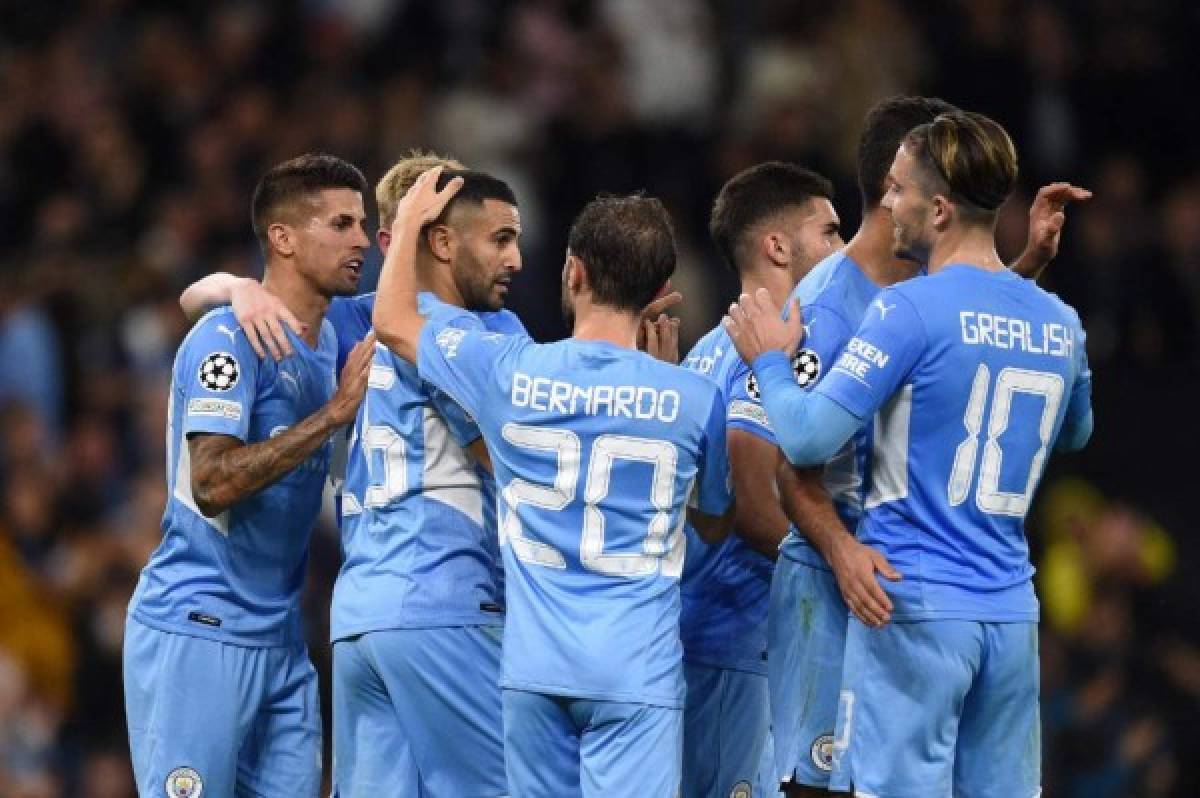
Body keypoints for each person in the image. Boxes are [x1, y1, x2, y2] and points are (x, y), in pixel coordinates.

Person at [725, 110, 1093, 798]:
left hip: (912, 605)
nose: (888, 204)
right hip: (1011, 614)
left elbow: (803, 440)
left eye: (899, 190)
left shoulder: (906, 310)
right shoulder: (1059, 320)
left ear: (941, 208)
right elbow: (1073, 432)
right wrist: (1030, 276)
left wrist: (770, 365)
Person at [375, 167, 733, 798]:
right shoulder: (694, 397)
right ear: (660, 288)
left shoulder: (508, 370)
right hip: (636, 672)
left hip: (532, 671)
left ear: (573, 271)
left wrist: (406, 224)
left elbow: (396, 321)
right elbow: (714, 517)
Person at [124, 153, 376, 798]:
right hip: (199, 627)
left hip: (283, 643)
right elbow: (212, 482)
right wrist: (334, 415)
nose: (360, 240)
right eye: (342, 223)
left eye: (364, 223)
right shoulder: (228, 339)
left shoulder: (332, 334)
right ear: (284, 238)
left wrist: (228, 280)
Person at [332, 169, 523, 796]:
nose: (515, 259)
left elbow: (239, 297)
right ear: (439, 239)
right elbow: (513, 458)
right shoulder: (472, 333)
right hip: (441, 600)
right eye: (499, 239)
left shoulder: (354, 325)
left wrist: (233, 289)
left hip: (359, 616)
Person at [678, 161, 841, 798]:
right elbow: (750, 502)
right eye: (827, 232)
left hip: (725, 639)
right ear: (777, 246)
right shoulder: (767, 350)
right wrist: (840, 565)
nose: (840, 247)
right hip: (733, 637)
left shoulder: (708, 348)